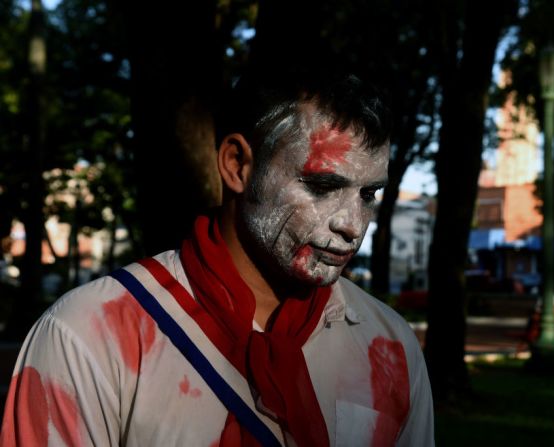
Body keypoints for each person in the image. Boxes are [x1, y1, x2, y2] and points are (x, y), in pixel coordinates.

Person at [0, 70, 434, 446]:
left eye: (369, 194)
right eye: (321, 187)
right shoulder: (89, 334)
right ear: (237, 165)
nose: (353, 224)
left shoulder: (389, 345)